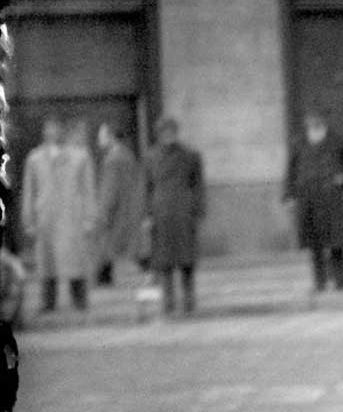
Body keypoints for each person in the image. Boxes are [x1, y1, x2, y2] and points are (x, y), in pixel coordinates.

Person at [22, 118, 97, 315]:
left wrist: (90, 217)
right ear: (44, 132)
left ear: (63, 131)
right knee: (47, 262)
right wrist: (28, 219)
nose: (53, 132)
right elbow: (30, 191)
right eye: (49, 128)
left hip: (72, 215)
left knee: (75, 261)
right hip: (46, 216)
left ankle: (80, 300)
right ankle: (48, 302)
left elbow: (88, 189)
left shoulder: (80, 156)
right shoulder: (35, 158)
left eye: (56, 128)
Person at [283, 110, 343, 295]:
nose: (313, 125)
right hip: (308, 199)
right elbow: (291, 170)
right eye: (310, 123)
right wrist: (289, 195)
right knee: (315, 244)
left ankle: (341, 282)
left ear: (323, 123)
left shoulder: (336, 140)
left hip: (331, 198)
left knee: (336, 243)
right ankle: (320, 282)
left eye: (316, 122)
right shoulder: (299, 143)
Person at [144, 117, 206, 317]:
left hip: (183, 211)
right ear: (159, 134)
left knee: (187, 260)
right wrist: (146, 215)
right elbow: (146, 188)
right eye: (164, 132)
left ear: (176, 132)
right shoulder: (151, 157)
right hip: (161, 213)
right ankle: (168, 301)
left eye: (171, 131)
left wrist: (198, 210)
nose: (168, 135)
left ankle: (189, 299)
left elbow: (198, 185)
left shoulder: (190, 155)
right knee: (165, 262)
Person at [93, 123, 142, 287]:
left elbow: (109, 192)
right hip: (127, 211)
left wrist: (102, 214)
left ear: (111, 137)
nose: (98, 140)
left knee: (107, 249)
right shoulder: (127, 155)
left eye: (101, 136)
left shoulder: (112, 160)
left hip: (116, 214)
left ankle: (104, 279)